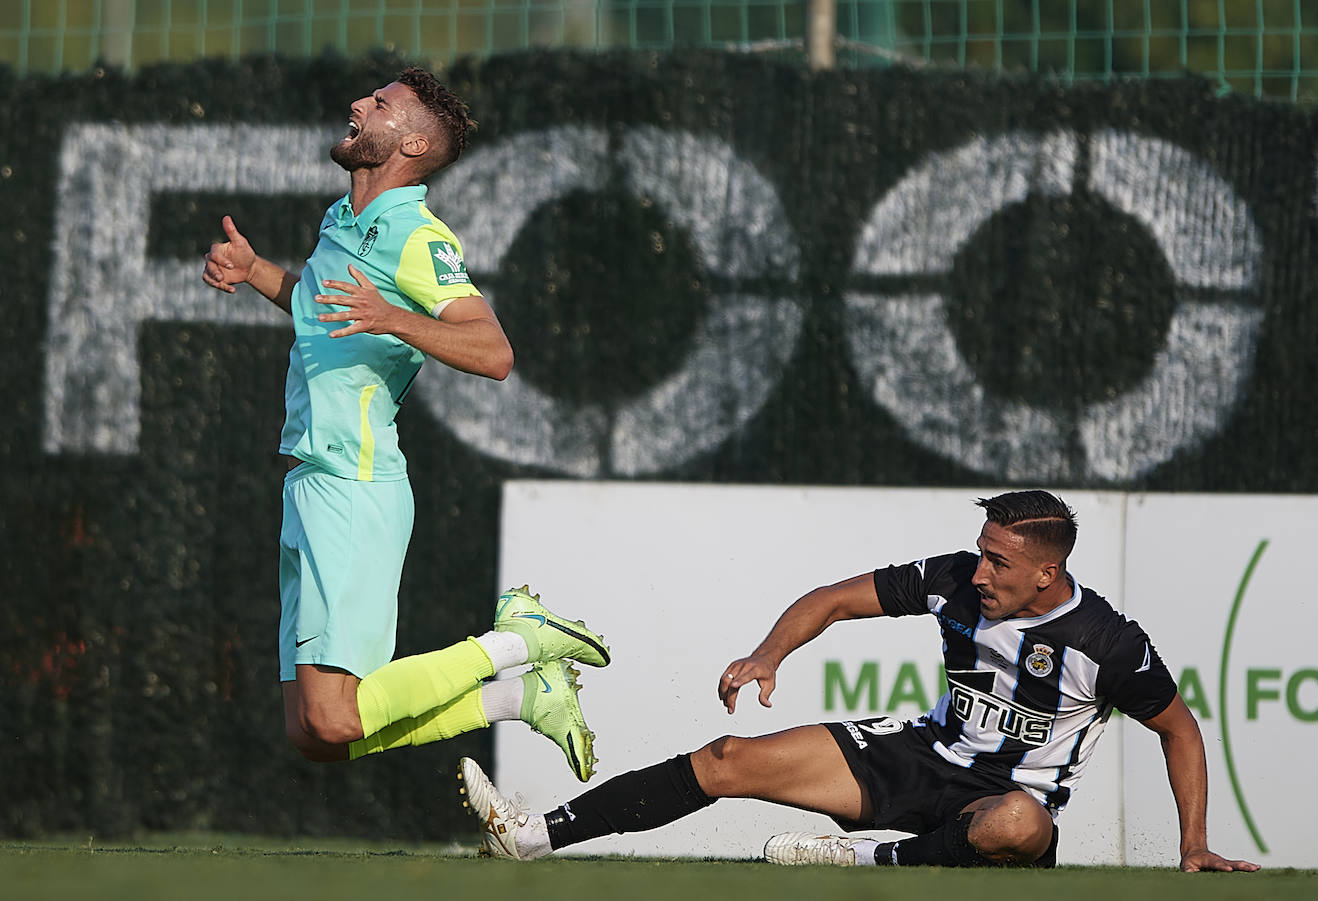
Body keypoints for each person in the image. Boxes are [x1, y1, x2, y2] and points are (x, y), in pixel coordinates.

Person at [459, 490, 1259, 870]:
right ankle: (530, 835)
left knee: (1016, 824)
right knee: (729, 755)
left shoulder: (1107, 641)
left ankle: (872, 860)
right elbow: (836, 598)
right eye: (980, 550)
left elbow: (1180, 731)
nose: (979, 568)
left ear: (1048, 573)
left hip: (1005, 804)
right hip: (917, 753)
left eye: (999, 560)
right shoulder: (953, 577)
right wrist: (769, 654)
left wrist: (1193, 843)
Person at [201, 67, 609, 781]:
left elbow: (495, 351)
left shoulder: (418, 237)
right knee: (312, 732)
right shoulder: (342, 218)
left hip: (355, 484)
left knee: (334, 715)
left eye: (381, 104)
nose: (358, 103)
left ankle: (516, 644)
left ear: (414, 142)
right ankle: (521, 697)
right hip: (309, 480)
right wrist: (257, 271)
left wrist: (395, 317)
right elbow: (322, 311)